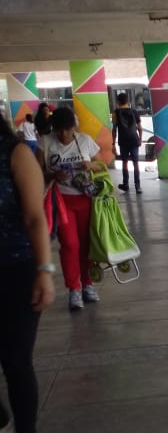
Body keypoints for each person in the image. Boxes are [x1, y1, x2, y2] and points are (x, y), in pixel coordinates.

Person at [0, 110, 56, 433]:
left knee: (15, 359)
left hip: (16, 271)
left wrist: (44, 271)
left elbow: (36, 218)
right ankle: (3, 424)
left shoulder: (15, 154)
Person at [37, 106, 102, 311]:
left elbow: (102, 165)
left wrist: (90, 166)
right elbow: (37, 174)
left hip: (85, 199)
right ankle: (74, 289)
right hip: (61, 201)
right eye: (59, 130)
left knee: (85, 245)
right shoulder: (45, 143)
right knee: (70, 245)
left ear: (74, 127)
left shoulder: (85, 141)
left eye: (67, 129)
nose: (64, 134)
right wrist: (53, 176)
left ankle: (88, 285)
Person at [111, 90, 142, 194]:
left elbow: (114, 129)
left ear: (118, 102)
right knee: (136, 163)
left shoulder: (115, 113)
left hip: (123, 140)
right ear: (127, 101)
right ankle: (138, 186)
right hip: (134, 139)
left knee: (125, 163)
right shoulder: (134, 111)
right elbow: (140, 128)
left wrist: (113, 143)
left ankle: (126, 184)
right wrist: (140, 139)